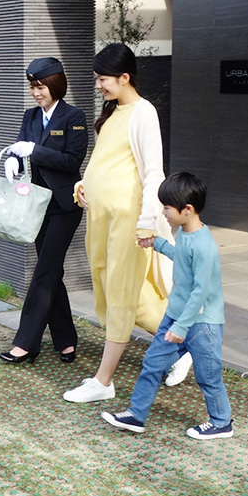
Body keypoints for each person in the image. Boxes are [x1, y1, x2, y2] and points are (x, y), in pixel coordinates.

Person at [63, 43, 192, 403]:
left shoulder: (143, 112)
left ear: (124, 77)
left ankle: (103, 381)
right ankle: (186, 345)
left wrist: (147, 221)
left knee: (121, 295)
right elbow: (104, 162)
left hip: (129, 223)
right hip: (102, 221)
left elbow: (154, 172)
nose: (99, 86)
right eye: (97, 80)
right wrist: (81, 186)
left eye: (103, 79)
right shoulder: (113, 112)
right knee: (126, 295)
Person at [101, 172, 233, 439]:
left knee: (208, 375)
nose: (163, 213)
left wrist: (182, 327)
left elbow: (201, 292)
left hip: (201, 324)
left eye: (167, 208)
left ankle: (221, 422)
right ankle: (136, 415)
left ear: (188, 209)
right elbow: (182, 259)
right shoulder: (185, 233)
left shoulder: (205, 246)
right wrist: (157, 243)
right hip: (176, 317)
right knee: (152, 364)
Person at [0, 57, 88, 364]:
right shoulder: (30, 116)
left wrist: (35, 151)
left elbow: (71, 162)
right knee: (52, 272)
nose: (36, 93)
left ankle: (26, 344)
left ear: (55, 84)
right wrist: (15, 159)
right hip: (37, 205)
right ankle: (66, 339)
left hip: (65, 206)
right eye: (32, 87)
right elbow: (21, 150)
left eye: (41, 87)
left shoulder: (74, 116)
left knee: (43, 273)